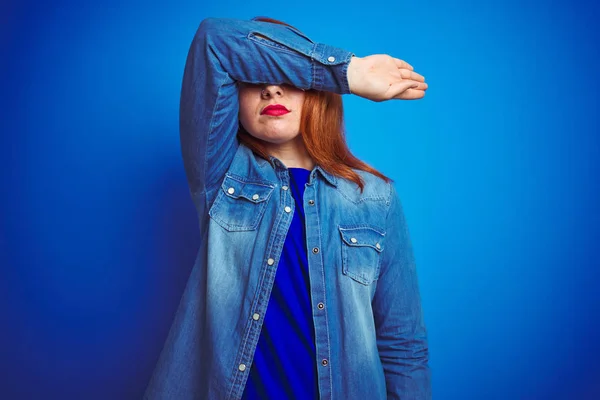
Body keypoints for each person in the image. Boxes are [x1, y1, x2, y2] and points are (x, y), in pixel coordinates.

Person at [145, 16, 430, 400]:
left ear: (316, 91)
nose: (271, 89)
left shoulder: (375, 199)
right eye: (253, 78)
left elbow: (403, 344)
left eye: (289, 78)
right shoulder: (222, 173)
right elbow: (214, 40)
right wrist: (348, 71)